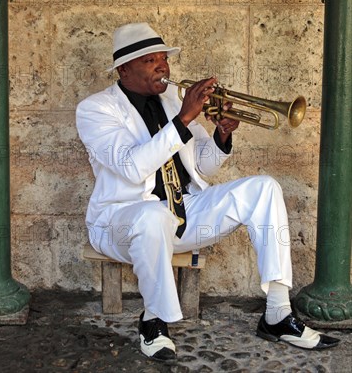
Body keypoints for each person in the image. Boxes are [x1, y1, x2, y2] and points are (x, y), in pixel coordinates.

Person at [76, 22, 339, 361]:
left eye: (164, 59)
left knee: (265, 188)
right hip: (121, 224)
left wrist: (222, 135)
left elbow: (202, 165)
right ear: (124, 69)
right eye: (150, 60)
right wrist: (183, 120)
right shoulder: (96, 109)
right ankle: (153, 320)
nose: (162, 66)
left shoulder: (172, 99)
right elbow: (131, 166)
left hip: (184, 214)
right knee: (153, 215)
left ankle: (277, 312)